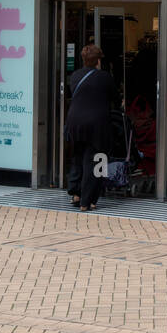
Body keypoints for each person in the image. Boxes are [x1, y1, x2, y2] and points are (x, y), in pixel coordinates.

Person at [65, 44, 118, 212]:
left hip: (74, 122)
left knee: (77, 158)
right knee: (94, 162)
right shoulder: (105, 77)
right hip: (96, 125)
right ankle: (87, 201)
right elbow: (115, 98)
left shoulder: (75, 76)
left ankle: (76, 194)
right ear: (98, 60)